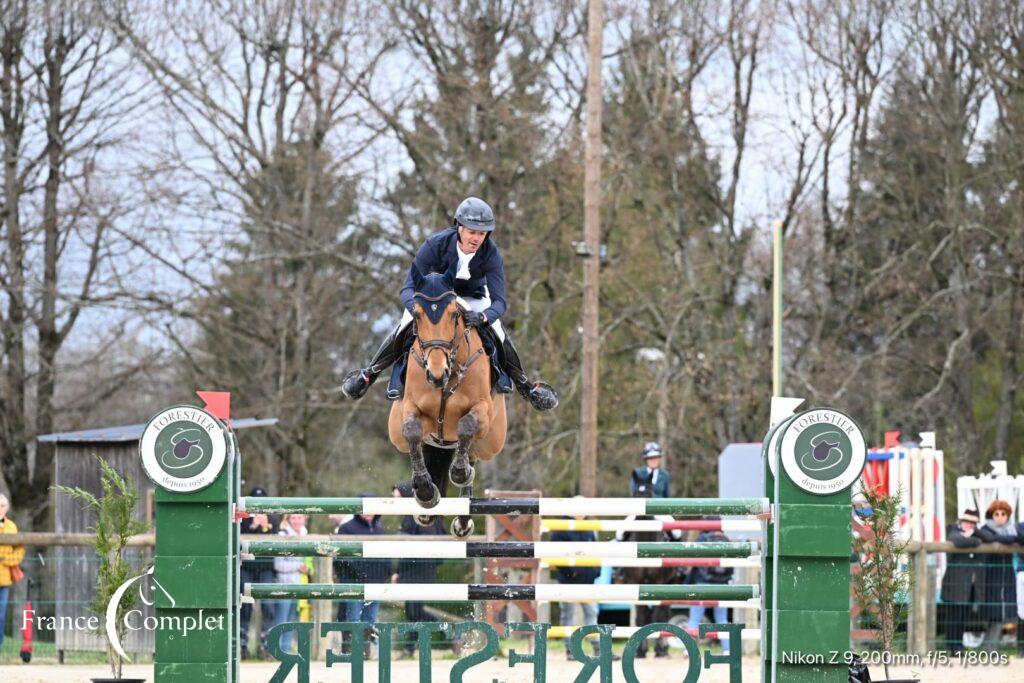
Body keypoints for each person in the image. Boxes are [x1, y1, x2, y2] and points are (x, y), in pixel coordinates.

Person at [339, 196, 558, 411]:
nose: (476, 238)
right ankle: (369, 374)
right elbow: (407, 288)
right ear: (459, 228)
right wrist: (415, 309)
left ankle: (526, 386)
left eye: (481, 234)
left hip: (473, 298)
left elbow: (500, 301)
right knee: (402, 326)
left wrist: (484, 317)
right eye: (472, 232)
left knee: (499, 331)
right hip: (436, 298)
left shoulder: (491, 253)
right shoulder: (436, 244)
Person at [391, 483, 446, 659]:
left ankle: (443, 627)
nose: (395, 502)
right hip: (414, 570)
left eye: (398, 499)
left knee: (414, 611)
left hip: (420, 570)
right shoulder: (412, 516)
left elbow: (425, 545)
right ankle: (410, 648)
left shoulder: (419, 516)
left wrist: (401, 571)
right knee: (412, 611)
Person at [335, 496, 389, 658]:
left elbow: (386, 555)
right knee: (353, 617)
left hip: (376, 584)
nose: (368, 513)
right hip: (354, 583)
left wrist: (385, 574)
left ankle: (365, 653)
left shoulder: (380, 529)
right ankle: (350, 652)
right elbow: (342, 558)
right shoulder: (346, 528)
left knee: (370, 619)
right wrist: (358, 574)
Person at [549, 504, 604, 661]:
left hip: (588, 580)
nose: (581, 512)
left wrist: (596, 570)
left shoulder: (589, 527)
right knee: (568, 615)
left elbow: (596, 550)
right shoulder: (560, 528)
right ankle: (570, 650)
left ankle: (598, 648)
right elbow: (555, 555)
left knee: (592, 613)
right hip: (568, 581)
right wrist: (569, 571)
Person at [239, 486, 279, 659]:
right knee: (244, 606)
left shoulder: (272, 518)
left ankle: (266, 645)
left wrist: (265, 527)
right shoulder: (243, 518)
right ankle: (241, 645)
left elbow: (277, 538)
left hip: (266, 568)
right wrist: (254, 526)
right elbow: (237, 539)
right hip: (246, 567)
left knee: (269, 606)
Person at [975, 499, 1022, 647]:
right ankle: (989, 647)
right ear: (992, 515)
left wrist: (1005, 539)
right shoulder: (986, 528)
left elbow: (1018, 538)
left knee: (1001, 615)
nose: (1000, 517)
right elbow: (987, 537)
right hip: (990, 575)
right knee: (991, 612)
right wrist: (1006, 540)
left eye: (1003, 514)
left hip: (1006, 575)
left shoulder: (1013, 529)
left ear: (1008, 515)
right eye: (997, 514)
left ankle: (991, 647)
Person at [940, 509, 986, 652]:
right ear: (961, 521)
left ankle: (958, 646)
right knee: (953, 616)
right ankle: (953, 646)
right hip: (954, 582)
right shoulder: (953, 530)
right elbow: (958, 541)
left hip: (967, 585)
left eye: (973, 523)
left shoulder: (973, 532)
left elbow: (989, 537)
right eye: (967, 522)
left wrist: (974, 534)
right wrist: (975, 540)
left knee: (961, 616)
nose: (970, 525)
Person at [686, 519, 734, 655]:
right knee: (722, 619)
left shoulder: (702, 538)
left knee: (695, 618)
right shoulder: (726, 539)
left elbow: (692, 558)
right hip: (722, 585)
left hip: (702, 584)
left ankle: (688, 649)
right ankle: (727, 650)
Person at [273, 513, 309, 654]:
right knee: (281, 621)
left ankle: (286, 651)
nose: (296, 520)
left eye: (299, 517)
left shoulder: (307, 536)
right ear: (288, 520)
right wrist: (298, 566)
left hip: (299, 585)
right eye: (293, 518)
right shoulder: (283, 535)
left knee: (291, 620)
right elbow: (278, 565)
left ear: (305, 519)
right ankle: (277, 650)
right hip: (283, 584)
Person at [0, 494, 26, 651]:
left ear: (7, 508)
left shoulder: (12, 527)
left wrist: (4, 560)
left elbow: (19, 550)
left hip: (4, 581)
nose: (0, 509)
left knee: (1, 616)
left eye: (3, 506)